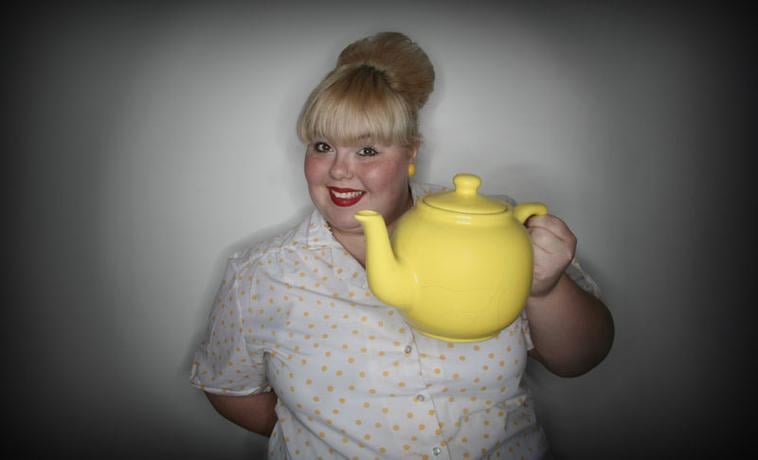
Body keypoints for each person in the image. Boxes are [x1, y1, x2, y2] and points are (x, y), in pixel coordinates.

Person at [190, 32, 614, 459]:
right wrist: (311, 435)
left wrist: (545, 288)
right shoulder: (261, 275)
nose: (339, 171)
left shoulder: (489, 228)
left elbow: (578, 359)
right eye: (322, 146)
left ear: (411, 153)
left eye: (367, 150)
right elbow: (227, 388)